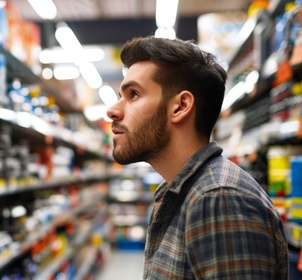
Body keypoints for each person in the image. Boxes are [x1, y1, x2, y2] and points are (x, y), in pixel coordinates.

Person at [106, 36, 288, 279]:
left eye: (134, 94)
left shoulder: (218, 198)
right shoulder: (178, 192)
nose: (112, 110)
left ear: (180, 107)